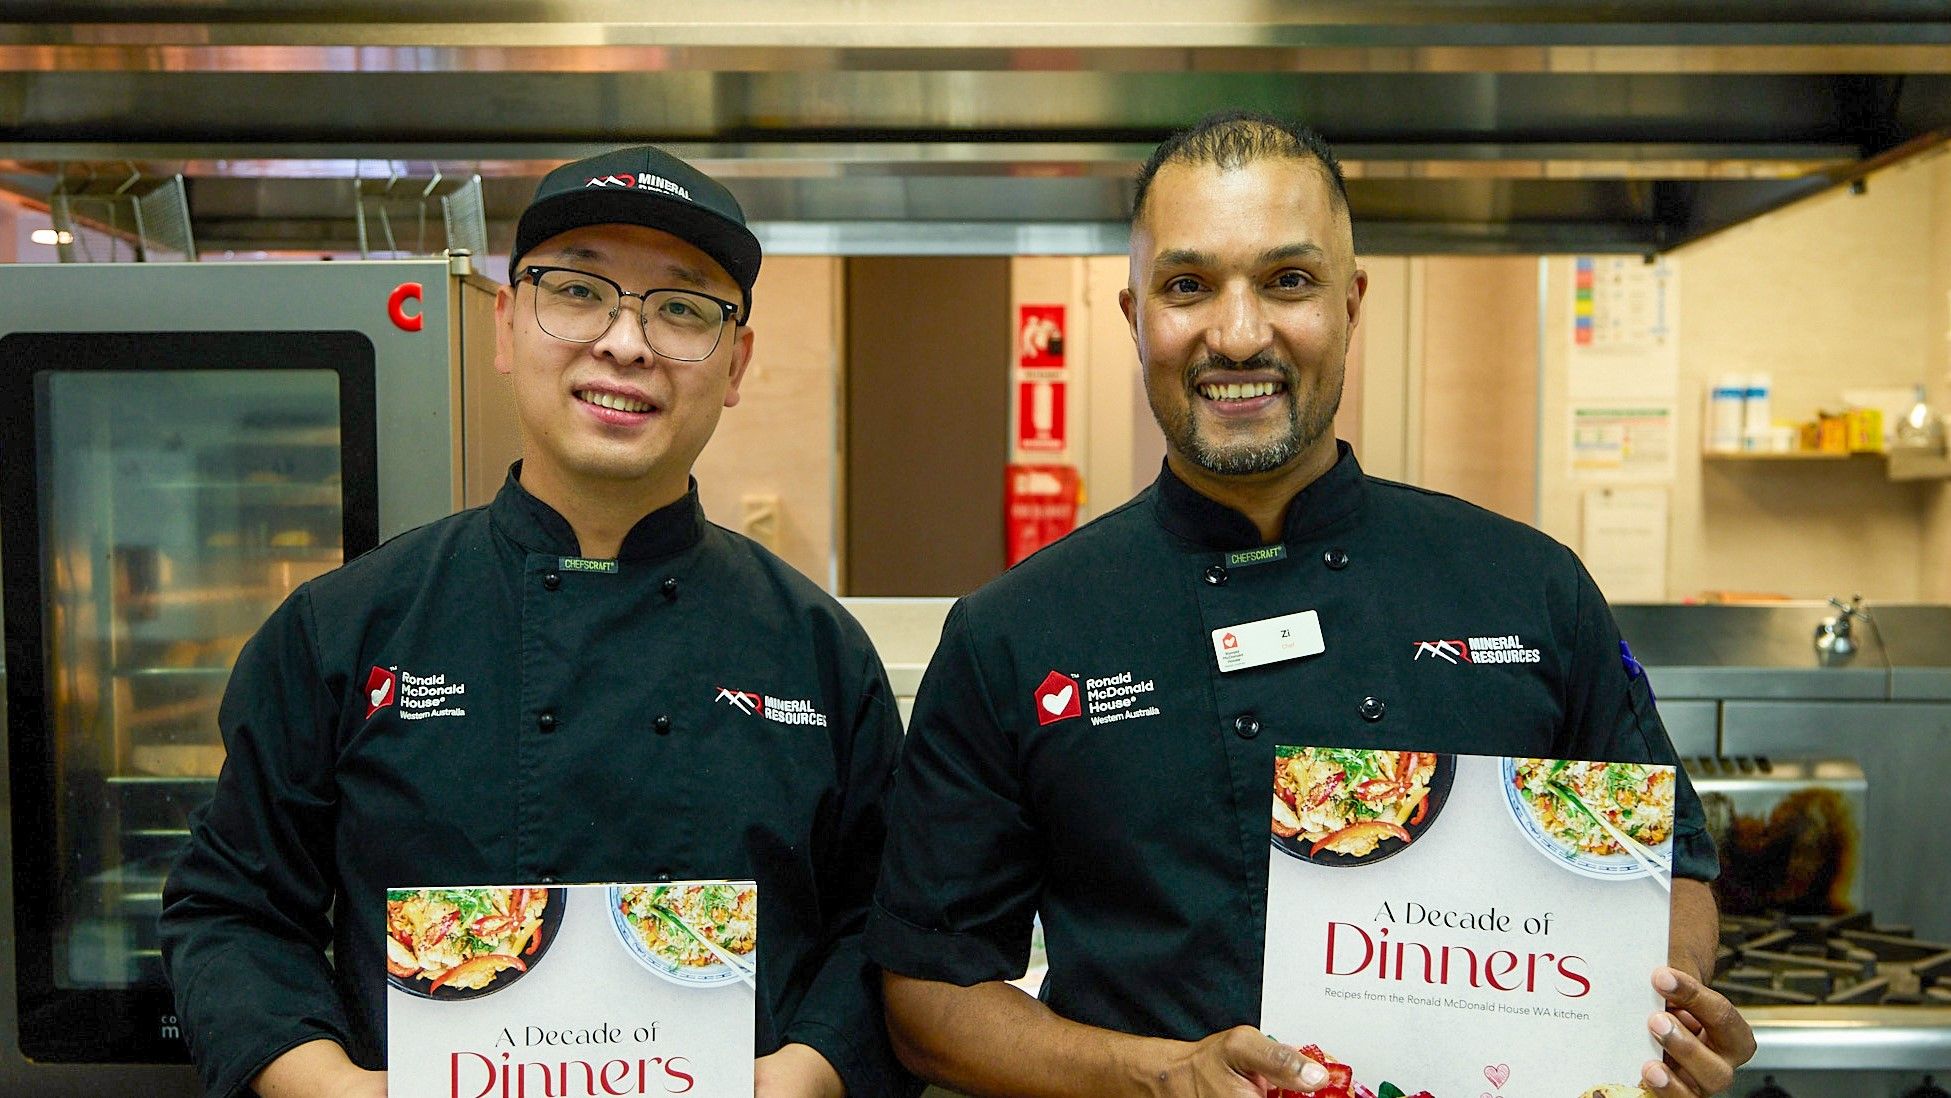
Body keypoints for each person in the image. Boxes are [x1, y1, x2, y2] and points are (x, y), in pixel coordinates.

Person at [867, 112, 1756, 1098]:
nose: (1238, 334)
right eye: (1187, 286)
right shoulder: (1015, 633)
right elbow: (928, 995)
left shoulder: (1532, 590)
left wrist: (1651, 1024)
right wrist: (1152, 1077)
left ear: (1350, 301)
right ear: (1135, 314)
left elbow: (1666, 875)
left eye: (1287, 281)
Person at [161, 146, 912, 1098]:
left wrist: (805, 1077)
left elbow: (882, 928)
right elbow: (231, 912)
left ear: (735, 365)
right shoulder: (345, 629)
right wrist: (336, 1089)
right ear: (508, 324)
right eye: (578, 291)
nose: (627, 344)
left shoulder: (815, 650)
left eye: (682, 308)